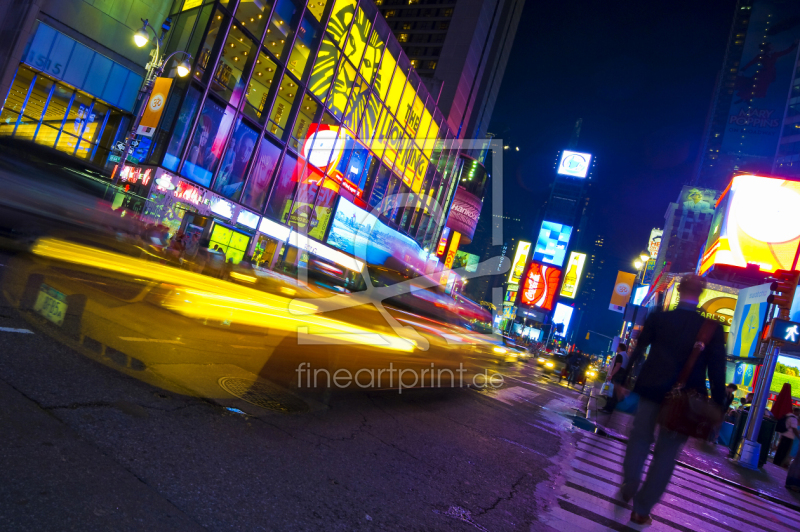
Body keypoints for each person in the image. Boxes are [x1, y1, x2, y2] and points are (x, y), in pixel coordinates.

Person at [617, 275, 726, 525]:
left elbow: (638, 348)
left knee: (640, 437)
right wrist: (719, 405)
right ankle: (641, 509)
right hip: (685, 401)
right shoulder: (712, 328)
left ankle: (631, 479)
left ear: (678, 290)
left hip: (651, 389)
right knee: (666, 454)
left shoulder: (659, 317)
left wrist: (623, 379)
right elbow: (717, 370)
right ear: (701, 294)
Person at [600, 343, 628, 413]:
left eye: (617, 347)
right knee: (614, 394)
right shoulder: (626, 356)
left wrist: (611, 375)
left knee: (611, 393)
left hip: (616, 375)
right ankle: (609, 408)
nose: (616, 348)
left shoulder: (620, 355)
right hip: (622, 376)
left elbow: (618, 366)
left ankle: (608, 408)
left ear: (619, 347)